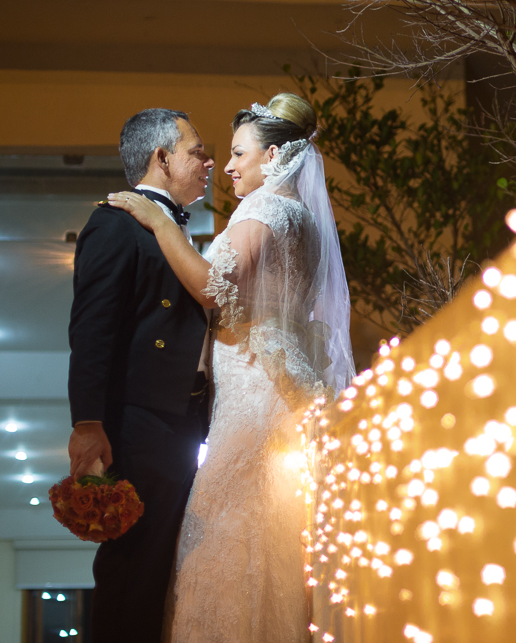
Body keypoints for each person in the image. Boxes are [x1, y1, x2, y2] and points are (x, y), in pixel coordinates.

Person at [106, 93, 355, 642]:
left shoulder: (265, 209)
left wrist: (159, 222)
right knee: (268, 534)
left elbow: (212, 287)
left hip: (256, 395)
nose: (229, 165)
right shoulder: (302, 219)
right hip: (278, 383)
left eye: (240, 153)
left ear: (272, 158)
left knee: (230, 532)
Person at [68, 108, 215, 643]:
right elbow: (92, 329)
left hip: (183, 419)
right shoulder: (114, 223)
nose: (209, 161)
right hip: (141, 422)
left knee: (164, 567)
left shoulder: (171, 227)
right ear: (162, 157)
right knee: (133, 567)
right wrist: (88, 422)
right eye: (197, 150)